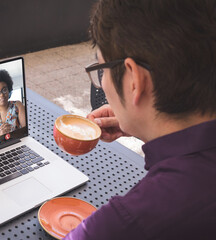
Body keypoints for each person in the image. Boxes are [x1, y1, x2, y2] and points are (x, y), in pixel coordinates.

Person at [64, 0, 216, 239]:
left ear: (134, 79)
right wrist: (144, 124)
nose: (102, 82)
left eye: (101, 69)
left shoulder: (126, 222)